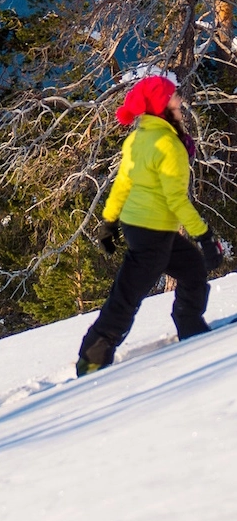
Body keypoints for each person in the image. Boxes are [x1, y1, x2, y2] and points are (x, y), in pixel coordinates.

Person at [77, 74, 223, 377]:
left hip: (142, 227)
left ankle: (191, 327)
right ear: (160, 105)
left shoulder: (138, 137)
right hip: (152, 232)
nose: (179, 101)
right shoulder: (168, 145)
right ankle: (92, 358)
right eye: (173, 97)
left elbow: (124, 182)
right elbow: (177, 201)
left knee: (193, 269)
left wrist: (109, 221)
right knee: (128, 294)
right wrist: (205, 236)